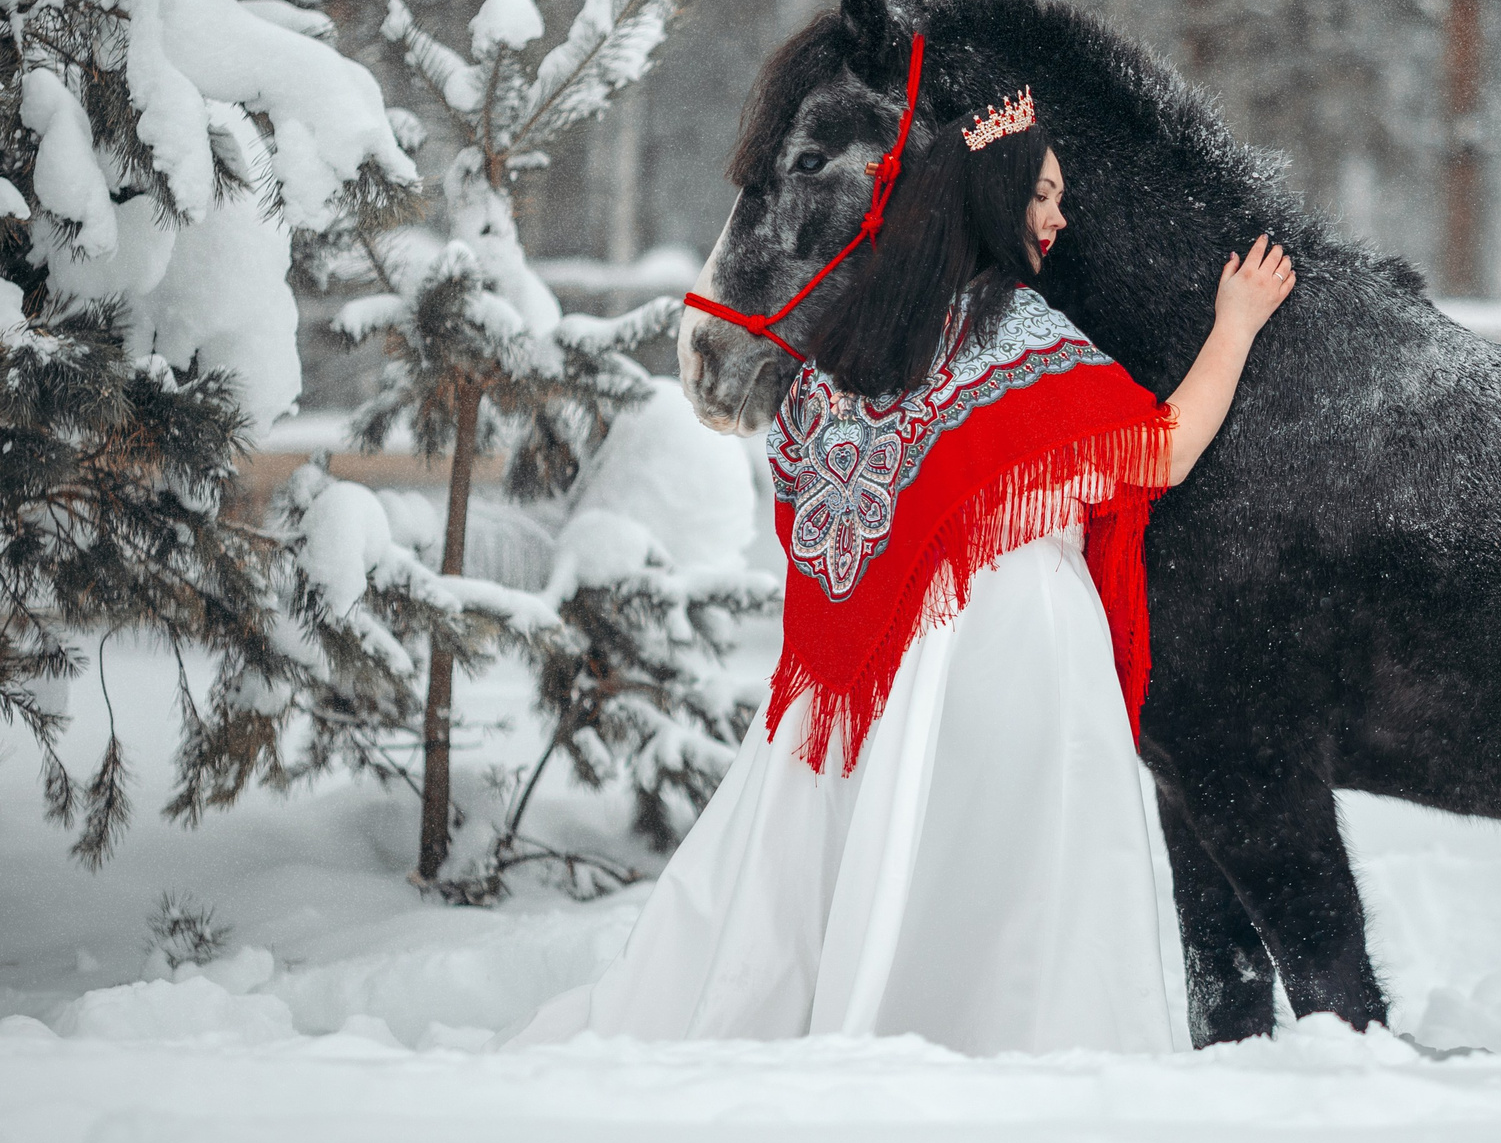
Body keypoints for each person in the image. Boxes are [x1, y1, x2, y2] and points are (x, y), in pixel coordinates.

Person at [505, 87, 1294, 1055]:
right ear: (997, 197)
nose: (1058, 217)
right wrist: (1238, 323)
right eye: (1042, 194)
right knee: (1017, 877)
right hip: (1017, 654)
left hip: (887, 673)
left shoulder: (859, 349)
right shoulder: (1019, 340)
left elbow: (821, 497)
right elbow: (1160, 452)